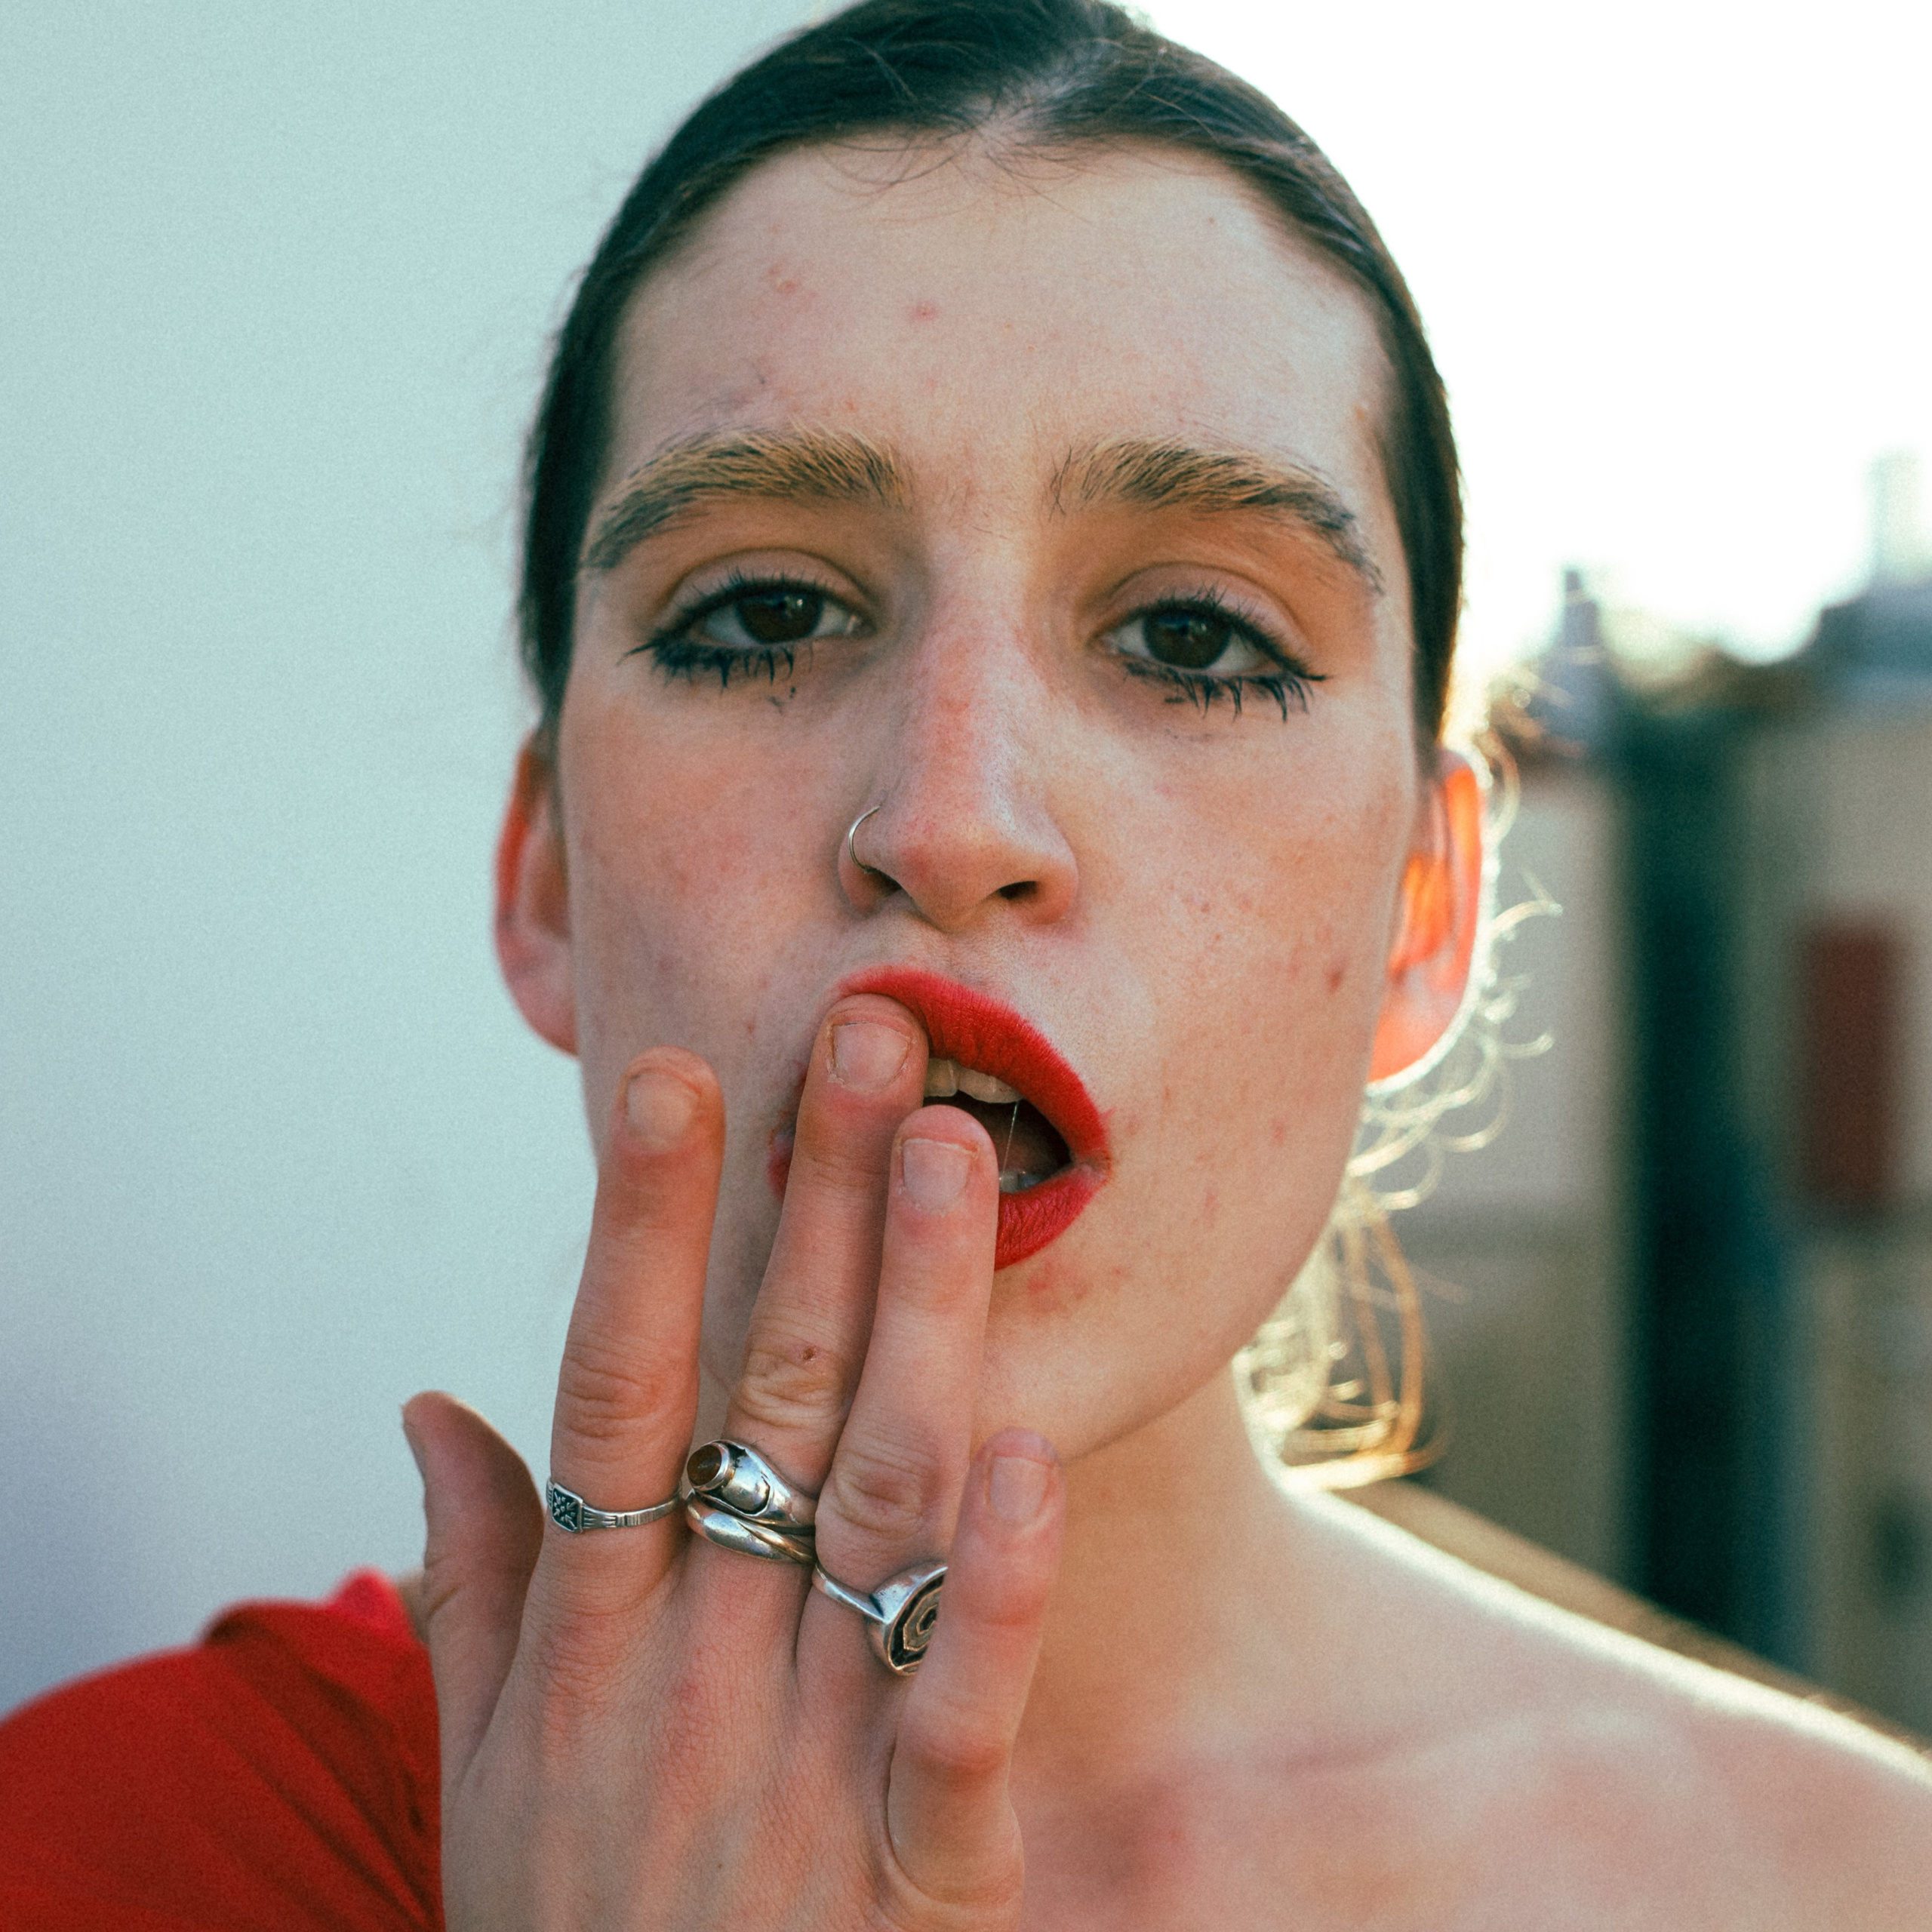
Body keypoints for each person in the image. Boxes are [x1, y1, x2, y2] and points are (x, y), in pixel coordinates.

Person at [4, 2, 1929, 1925]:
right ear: (549, 878)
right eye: (766, 611)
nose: (949, 815)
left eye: (1191, 639)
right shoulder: (104, 1851)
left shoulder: (1844, 1882)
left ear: (1421, 913)